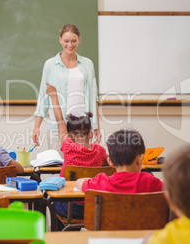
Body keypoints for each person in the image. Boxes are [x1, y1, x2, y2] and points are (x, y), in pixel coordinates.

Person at [32, 24, 101, 154]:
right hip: (57, 126)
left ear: (79, 40)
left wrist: (96, 126)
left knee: (83, 166)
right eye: (66, 41)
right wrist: (36, 127)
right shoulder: (50, 65)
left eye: (74, 41)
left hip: (83, 127)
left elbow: (93, 97)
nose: (70, 45)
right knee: (60, 168)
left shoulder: (87, 64)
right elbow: (43, 96)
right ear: (60, 40)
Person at [46, 83, 107, 227]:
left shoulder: (68, 146)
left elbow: (60, 120)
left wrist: (54, 97)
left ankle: (63, 236)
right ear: (91, 133)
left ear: (70, 135)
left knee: (50, 201)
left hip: (70, 208)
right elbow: (108, 167)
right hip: (94, 207)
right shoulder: (100, 151)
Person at [75, 129, 162, 193]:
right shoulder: (149, 181)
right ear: (140, 159)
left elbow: (78, 183)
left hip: (110, 218)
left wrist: (92, 180)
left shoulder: (101, 182)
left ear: (110, 162)